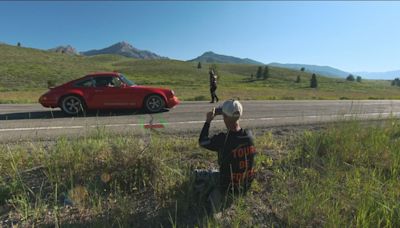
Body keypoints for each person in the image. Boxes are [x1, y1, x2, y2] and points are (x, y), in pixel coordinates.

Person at [196, 99, 256, 212]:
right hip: (245, 185)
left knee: (196, 174)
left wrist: (208, 121)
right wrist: (224, 112)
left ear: (224, 117)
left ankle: (212, 198)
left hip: (227, 186)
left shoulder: (223, 139)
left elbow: (202, 142)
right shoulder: (249, 135)